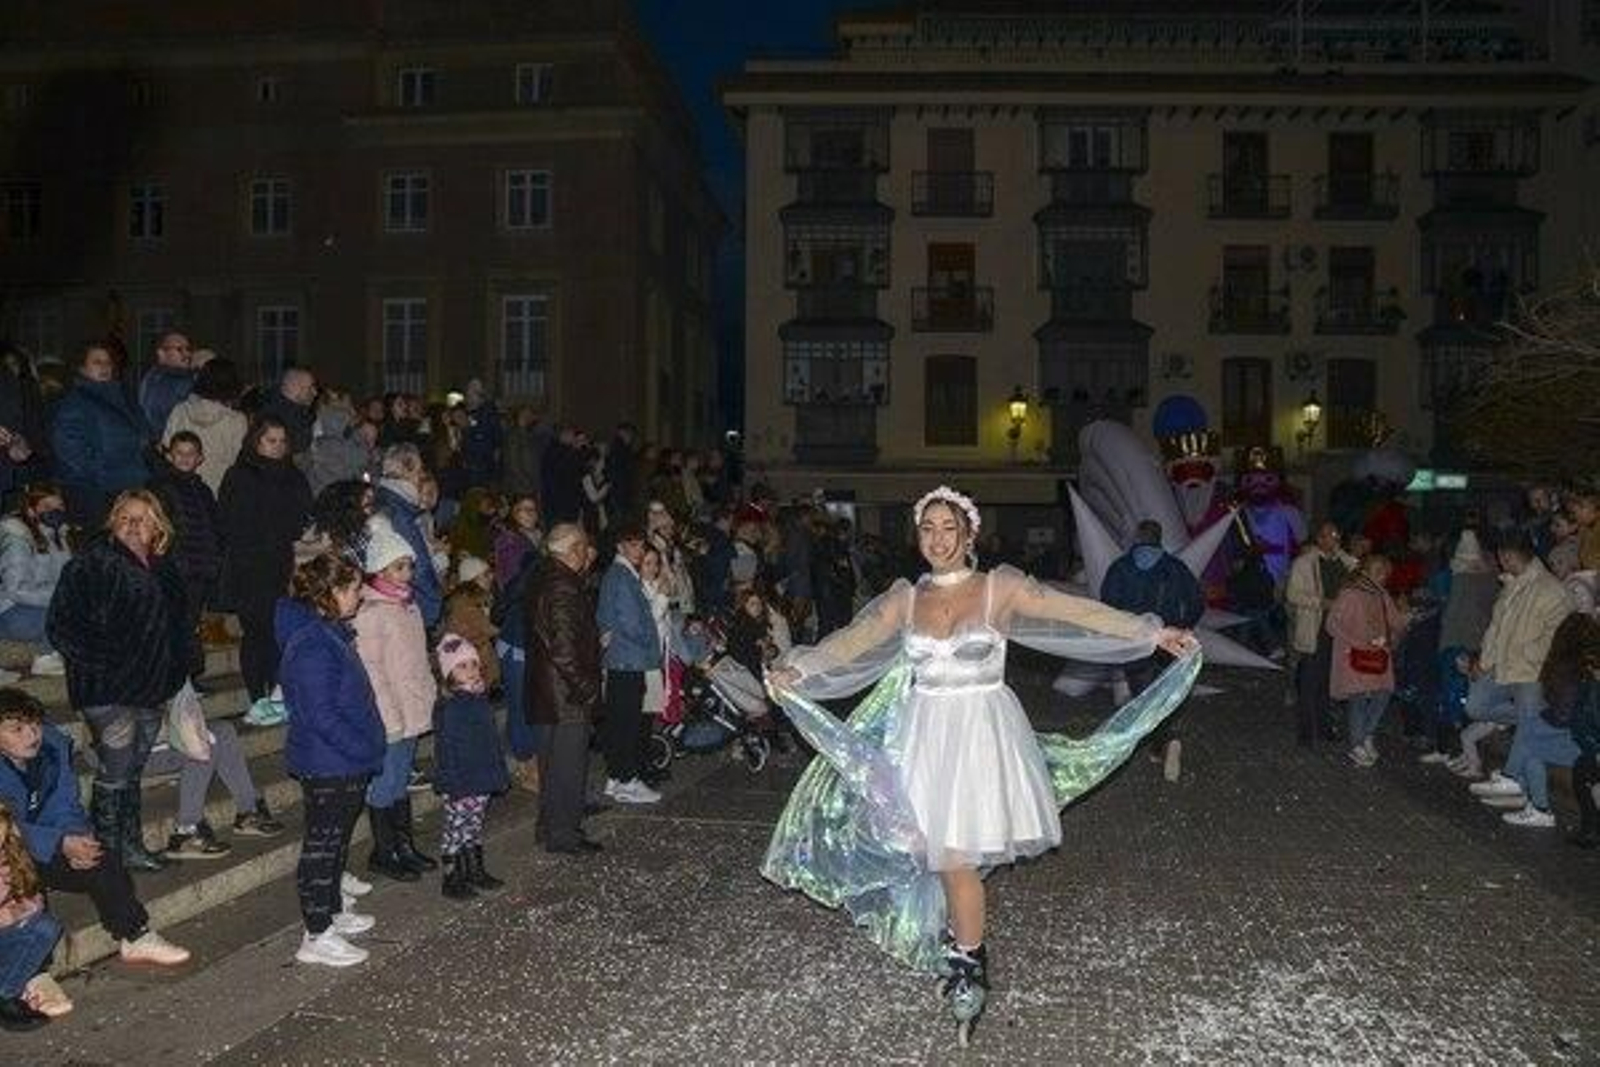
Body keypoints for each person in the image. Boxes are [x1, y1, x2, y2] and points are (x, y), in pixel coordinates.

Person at [761, 486, 1198, 1038]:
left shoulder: (999, 588)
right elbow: (852, 640)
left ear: (969, 534)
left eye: (949, 528)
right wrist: (799, 670)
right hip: (922, 738)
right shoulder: (905, 597)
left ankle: (970, 961)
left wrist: (1152, 632)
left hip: (979, 740)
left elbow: (1076, 610)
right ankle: (961, 944)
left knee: (956, 856)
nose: (938, 539)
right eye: (927, 529)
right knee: (939, 855)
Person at [45, 490, 194, 871]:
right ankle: (107, 859)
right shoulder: (92, 563)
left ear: (157, 526)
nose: (132, 525)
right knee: (116, 763)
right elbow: (63, 626)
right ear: (112, 521)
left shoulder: (164, 567)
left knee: (134, 766)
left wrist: (176, 670)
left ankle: (129, 848)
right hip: (105, 687)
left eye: (142, 519)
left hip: (150, 685)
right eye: (124, 518)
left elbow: (179, 627)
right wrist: (108, 666)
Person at [0, 689, 190, 971]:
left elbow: (65, 803)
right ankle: (35, 972)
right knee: (22, 875)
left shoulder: (51, 749)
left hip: (46, 842)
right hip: (7, 855)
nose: (31, 735)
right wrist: (59, 843)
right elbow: (6, 832)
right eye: (17, 729)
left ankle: (135, 936)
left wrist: (77, 838)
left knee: (102, 857)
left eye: (35, 725)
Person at [277, 554, 384, 967]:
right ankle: (316, 933)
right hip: (329, 762)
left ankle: (332, 911)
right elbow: (319, 714)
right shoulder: (312, 643)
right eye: (354, 587)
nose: (360, 593)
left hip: (342, 760)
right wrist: (362, 748)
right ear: (333, 592)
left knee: (336, 842)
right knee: (322, 847)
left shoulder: (329, 633)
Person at [1450, 532, 1573, 780]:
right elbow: (1495, 630)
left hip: (1532, 669)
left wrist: (1529, 654)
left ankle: (1512, 777)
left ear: (1508, 556)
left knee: (1529, 722)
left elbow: (1560, 634)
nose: (1498, 562)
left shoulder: (1551, 589)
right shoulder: (1510, 585)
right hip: (1503, 665)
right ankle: (1535, 722)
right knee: (1476, 706)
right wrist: (1483, 663)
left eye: (1500, 556)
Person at [353, 523, 438, 881]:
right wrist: (390, 718)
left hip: (412, 705)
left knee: (401, 779)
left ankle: (405, 845)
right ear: (380, 570)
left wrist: (429, 692)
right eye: (399, 567)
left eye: (409, 566)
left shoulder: (408, 607)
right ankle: (384, 851)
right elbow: (372, 672)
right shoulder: (371, 612)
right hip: (391, 714)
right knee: (385, 784)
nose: (408, 574)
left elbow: (417, 659)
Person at [1469, 612, 1600, 829]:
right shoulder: (1577, 665)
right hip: (1578, 735)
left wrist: (1542, 718)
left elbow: (1567, 715)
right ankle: (1537, 807)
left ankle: (1513, 780)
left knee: (1530, 732)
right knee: (1531, 742)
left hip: (1584, 742)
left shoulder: (1572, 668)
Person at [219, 415, 314, 705]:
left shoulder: (293, 475)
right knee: (256, 632)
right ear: (256, 441)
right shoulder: (240, 475)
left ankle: (275, 691)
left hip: (281, 564)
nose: (277, 447)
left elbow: (303, 515)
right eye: (270, 440)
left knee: (277, 631)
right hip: (249, 566)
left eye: (282, 441)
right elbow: (229, 521)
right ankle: (257, 696)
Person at [1101, 519, 1205, 781]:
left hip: (1136, 642)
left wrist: (1119, 633)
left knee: (1146, 696)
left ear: (1137, 538)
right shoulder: (1175, 567)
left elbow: (1108, 603)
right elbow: (1196, 600)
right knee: (1167, 692)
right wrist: (1183, 626)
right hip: (1170, 638)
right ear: (1160, 539)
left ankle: (1162, 745)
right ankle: (1168, 742)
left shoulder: (1120, 568)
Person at [525, 523, 604, 854]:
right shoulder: (562, 588)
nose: (588, 554)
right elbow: (564, 648)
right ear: (573, 550)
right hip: (565, 696)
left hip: (547, 692)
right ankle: (564, 834)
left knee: (551, 765)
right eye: (584, 548)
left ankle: (549, 826)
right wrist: (587, 688)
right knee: (568, 768)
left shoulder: (546, 576)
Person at [432, 633, 509, 900]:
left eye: (473, 664)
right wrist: (453, 784)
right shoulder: (451, 707)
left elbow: (489, 742)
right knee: (456, 828)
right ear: (449, 674)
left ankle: (474, 871)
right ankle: (452, 878)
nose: (471, 670)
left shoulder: (478, 699)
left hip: (481, 777)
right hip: (462, 781)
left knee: (473, 827)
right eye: (462, 666)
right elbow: (447, 751)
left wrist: (497, 772)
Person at [144, 717, 284, 859]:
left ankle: (249, 809)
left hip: (159, 739)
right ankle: (186, 831)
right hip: (134, 754)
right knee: (201, 745)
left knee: (223, 729)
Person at [596, 523, 663, 806]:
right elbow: (631, 621)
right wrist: (651, 640)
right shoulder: (622, 576)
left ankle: (616, 778)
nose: (638, 549)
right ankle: (626, 780)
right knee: (627, 722)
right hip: (629, 660)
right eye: (632, 544)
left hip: (625, 659)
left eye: (639, 543)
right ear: (620, 545)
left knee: (621, 721)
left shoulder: (620, 574)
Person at [149, 431, 225, 681]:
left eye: (190, 453)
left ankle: (188, 679)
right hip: (174, 568)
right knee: (176, 625)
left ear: (200, 458)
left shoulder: (202, 490)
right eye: (179, 453)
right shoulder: (159, 487)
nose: (184, 458)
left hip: (199, 569)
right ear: (170, 456)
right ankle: (178, 679)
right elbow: (156, 530)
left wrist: (215, 562)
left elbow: (213, 529)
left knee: (189, 623)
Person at [51, 341, 150, 528]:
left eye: (108, 362)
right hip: (95, 493)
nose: (105, 367)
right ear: (82, 368)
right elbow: (70, 450)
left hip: (125, 486)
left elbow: (140, 432)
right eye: (97, 362)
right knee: (99, 547)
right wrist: (106, 476)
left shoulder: (121, 396)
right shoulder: (76, 401)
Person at [1325, 553, 1409, 767]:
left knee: (1384, 692)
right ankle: (1356, 745)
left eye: (1385, 573)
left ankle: (1366, 736)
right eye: (1378, 572)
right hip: (1353, 655)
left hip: (1378, 654)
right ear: (1365, 571)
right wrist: (1360, 641)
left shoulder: (1381, 594)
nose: (1382, 577)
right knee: (1358, 698)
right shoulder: (1350, 594)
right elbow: (1332, 625)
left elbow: (1396, 622)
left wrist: (1406, 616)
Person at [1285, 521, 1356, 746]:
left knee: (1329, 682)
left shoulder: (1344, 562)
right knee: (1309, 682)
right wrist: (1321, 603)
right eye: (1326, 535)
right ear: (1318, 538)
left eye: (1335, 536)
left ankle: (1325, 728)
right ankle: (1307, 733)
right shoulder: (1305, 563)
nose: (1331, 540)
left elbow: (1358, 572)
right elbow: (1293, 595)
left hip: (1339, 631)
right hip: (1315, 629)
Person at [0, 798, 65, 1030]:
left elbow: (32, 896)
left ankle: (6, 994)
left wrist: (22, 907)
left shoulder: (11, 850)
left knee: (46, 927)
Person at [0, 485, 72, 677]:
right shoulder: (18, 538)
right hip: (8, 611)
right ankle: (45, 658)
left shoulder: (59, 536)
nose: (54, 511)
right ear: (31, 511)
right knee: (63, 611)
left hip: (36, 607)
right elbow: (15, 589)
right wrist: (58, 597)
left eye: (59, 506)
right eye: (46, 506)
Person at [372, 443, 444, 630]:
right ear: (408, 470)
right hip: (408, 607)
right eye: (419, 472)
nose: (420, 478)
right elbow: (418, 566)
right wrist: (433, 602)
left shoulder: (385, 500)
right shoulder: (399, 512)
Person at [163, 357, 247, 495]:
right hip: (220, 489)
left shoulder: (180, 410)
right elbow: (238, 461)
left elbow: (167, 448)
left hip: (181, 488)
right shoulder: (237, 420)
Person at [439, 555, 499, 690]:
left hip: (474, 660)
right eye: (485, 575)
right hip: (468, 666)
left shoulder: (476, 598)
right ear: (473, 580)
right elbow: (490, 629)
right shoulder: (465, 604)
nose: (491, 577)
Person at [137, 331, 194, 435]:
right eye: (179, 349)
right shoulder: (169, 379)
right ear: (161, 353)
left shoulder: (153, 375)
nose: (187, 354)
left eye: (188, 349)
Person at [259, 367, 318, 457]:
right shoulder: (276, 415)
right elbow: (298, 448)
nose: (315, 392)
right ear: (295, 388)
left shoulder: (294, 410)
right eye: (310, 387)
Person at [493, 494, 543, 591]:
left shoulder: (540, 537)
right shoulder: (508, 540)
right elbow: (511, 580)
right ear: (514, 514)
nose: (530, 513)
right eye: (524, 509)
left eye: (533, 509)